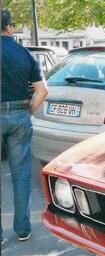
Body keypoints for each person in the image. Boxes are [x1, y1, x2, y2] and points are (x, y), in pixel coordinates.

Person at [1, 9, 48, 243]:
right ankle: (22, 228)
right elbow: (42, 90)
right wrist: (26, 110)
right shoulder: (24, 53)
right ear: (10, 27)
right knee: (21, 174)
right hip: (20, 114)